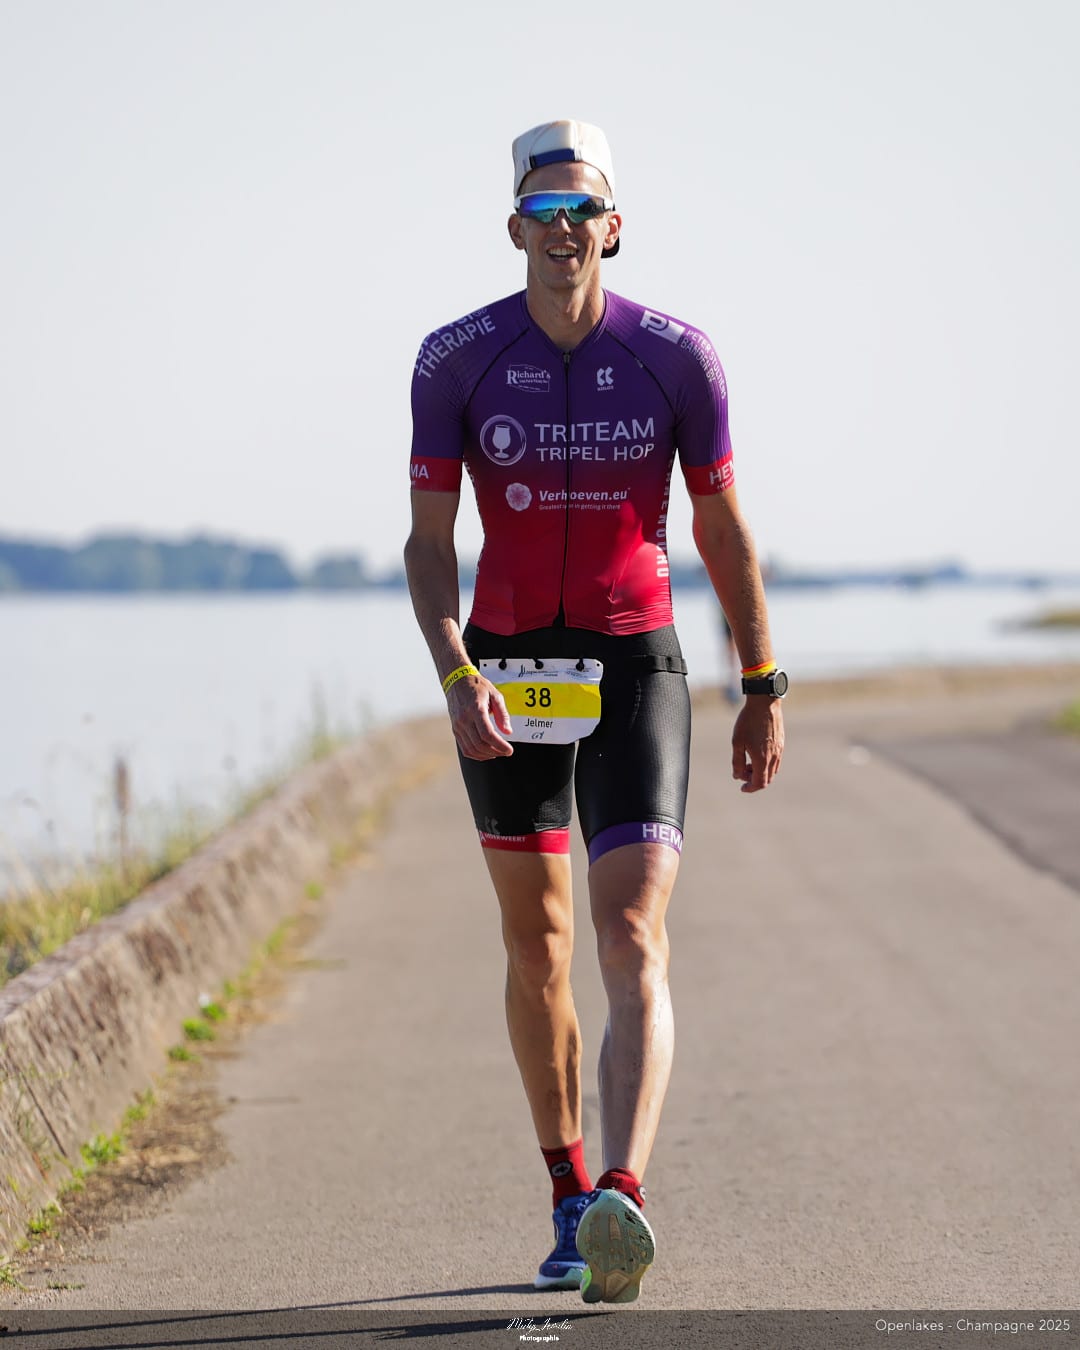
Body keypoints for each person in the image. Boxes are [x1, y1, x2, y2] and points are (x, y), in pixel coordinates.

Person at [405, 119, 785, 1305]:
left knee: (630, 937)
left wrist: (761, 682)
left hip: (635, 665)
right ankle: (569, 1190)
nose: (564, 227)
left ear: (614, 227)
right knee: (540, 948)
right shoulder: (455, 360)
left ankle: (624, 1191)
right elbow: (429, 543)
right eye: (544, 209)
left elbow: (720, 526)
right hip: (506, 670)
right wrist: (456, 673)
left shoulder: (677, 358)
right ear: (514, 227)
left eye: (583, 209)